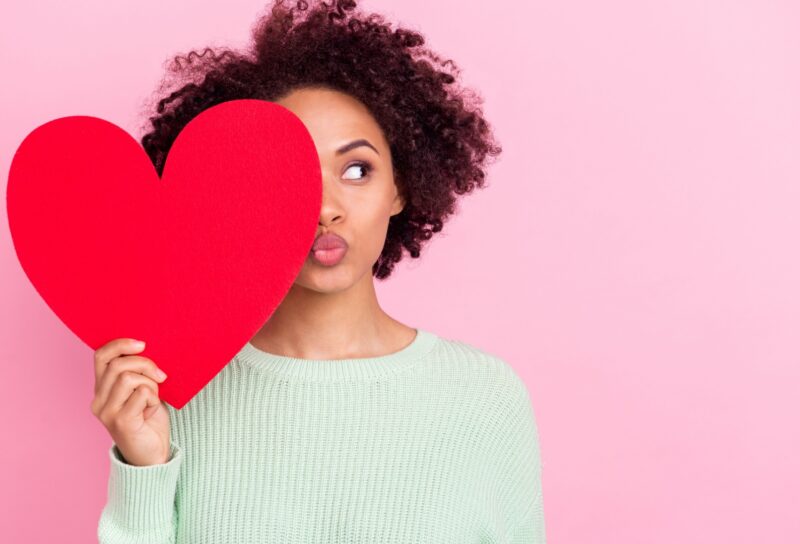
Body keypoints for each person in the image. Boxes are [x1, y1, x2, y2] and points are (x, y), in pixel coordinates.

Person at [92, 1, 545, 542]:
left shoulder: (485, 396)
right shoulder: (174, 394)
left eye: (357, 169)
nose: (324, 207)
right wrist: (143, 468)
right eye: (288, 173)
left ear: (400, 187)